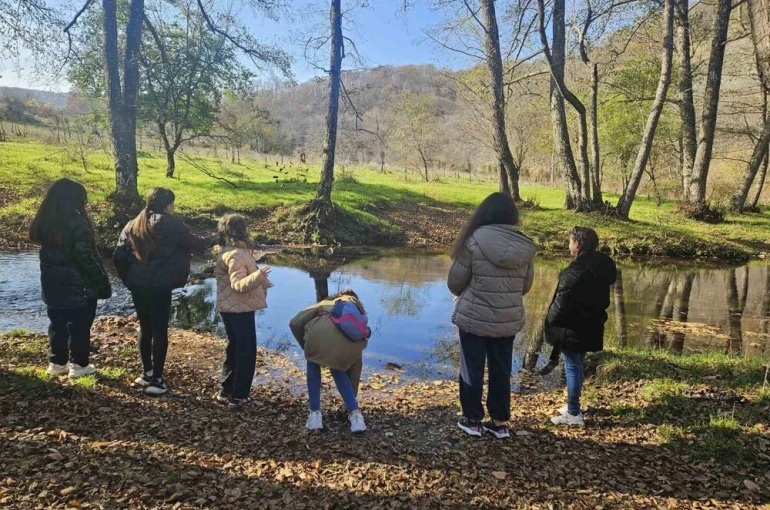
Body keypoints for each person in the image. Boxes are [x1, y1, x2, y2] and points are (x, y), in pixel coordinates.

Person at [448, 192, 537, 439]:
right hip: (507, 321)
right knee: (501, 370)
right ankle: (499, 423)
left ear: (484, 213)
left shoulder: (473, 241)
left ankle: (473, 420)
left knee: (472, 367)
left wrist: (464, 293)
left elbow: (455, 281)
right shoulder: (525, 246)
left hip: (474, 318)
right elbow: (525, 287)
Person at [113, 187, 212, 396]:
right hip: (161, 286)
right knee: (159, 330)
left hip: (138, 285)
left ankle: (146, 373)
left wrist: (129, 280)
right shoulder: (173, 224)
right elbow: (196, 244)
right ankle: (157, 380)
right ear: (168, 205)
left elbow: (119, 255)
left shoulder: (133, 223)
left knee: (144, 327)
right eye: (172, 204)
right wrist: (218, 237)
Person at [29, 178, 112, 379]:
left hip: (52, 284)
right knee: (80, 326)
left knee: (56, 324)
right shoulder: (77, 222)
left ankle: (57, 363)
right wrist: (102, 282)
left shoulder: (45, 221)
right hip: (79, 286)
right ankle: (79, 365)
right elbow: (85, 257)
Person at [544, 226, 617, 427]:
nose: (568, 245)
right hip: (591, 324)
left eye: (570, 241)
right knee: (577, 364)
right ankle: (571, 405)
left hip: (572, 328)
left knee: (572, 367)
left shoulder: (575, 271)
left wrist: (550, 319)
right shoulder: (602, 266)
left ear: (577, 244)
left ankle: (574, 413)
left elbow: (560, 304)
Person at [289, 289, 370, 433]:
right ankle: (356, 417)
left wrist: (307, 348)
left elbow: (294, 323)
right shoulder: (359, 318)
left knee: (313, 363)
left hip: (318, 336)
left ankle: (315, 416)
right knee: (338, 368)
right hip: (349, 347)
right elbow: (356, 370)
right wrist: (350, 400)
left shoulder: (325, 303)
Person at [213, 214, 273, 409]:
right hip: (239, 309)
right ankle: (239, 396)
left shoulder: (227, 251)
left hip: (230, 308)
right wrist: (258, 275)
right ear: (242, 231)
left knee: (234, 347)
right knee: (246, 351)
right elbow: (238, 284)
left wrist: (262, 281)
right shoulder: (237, 254)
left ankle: (226, 390)